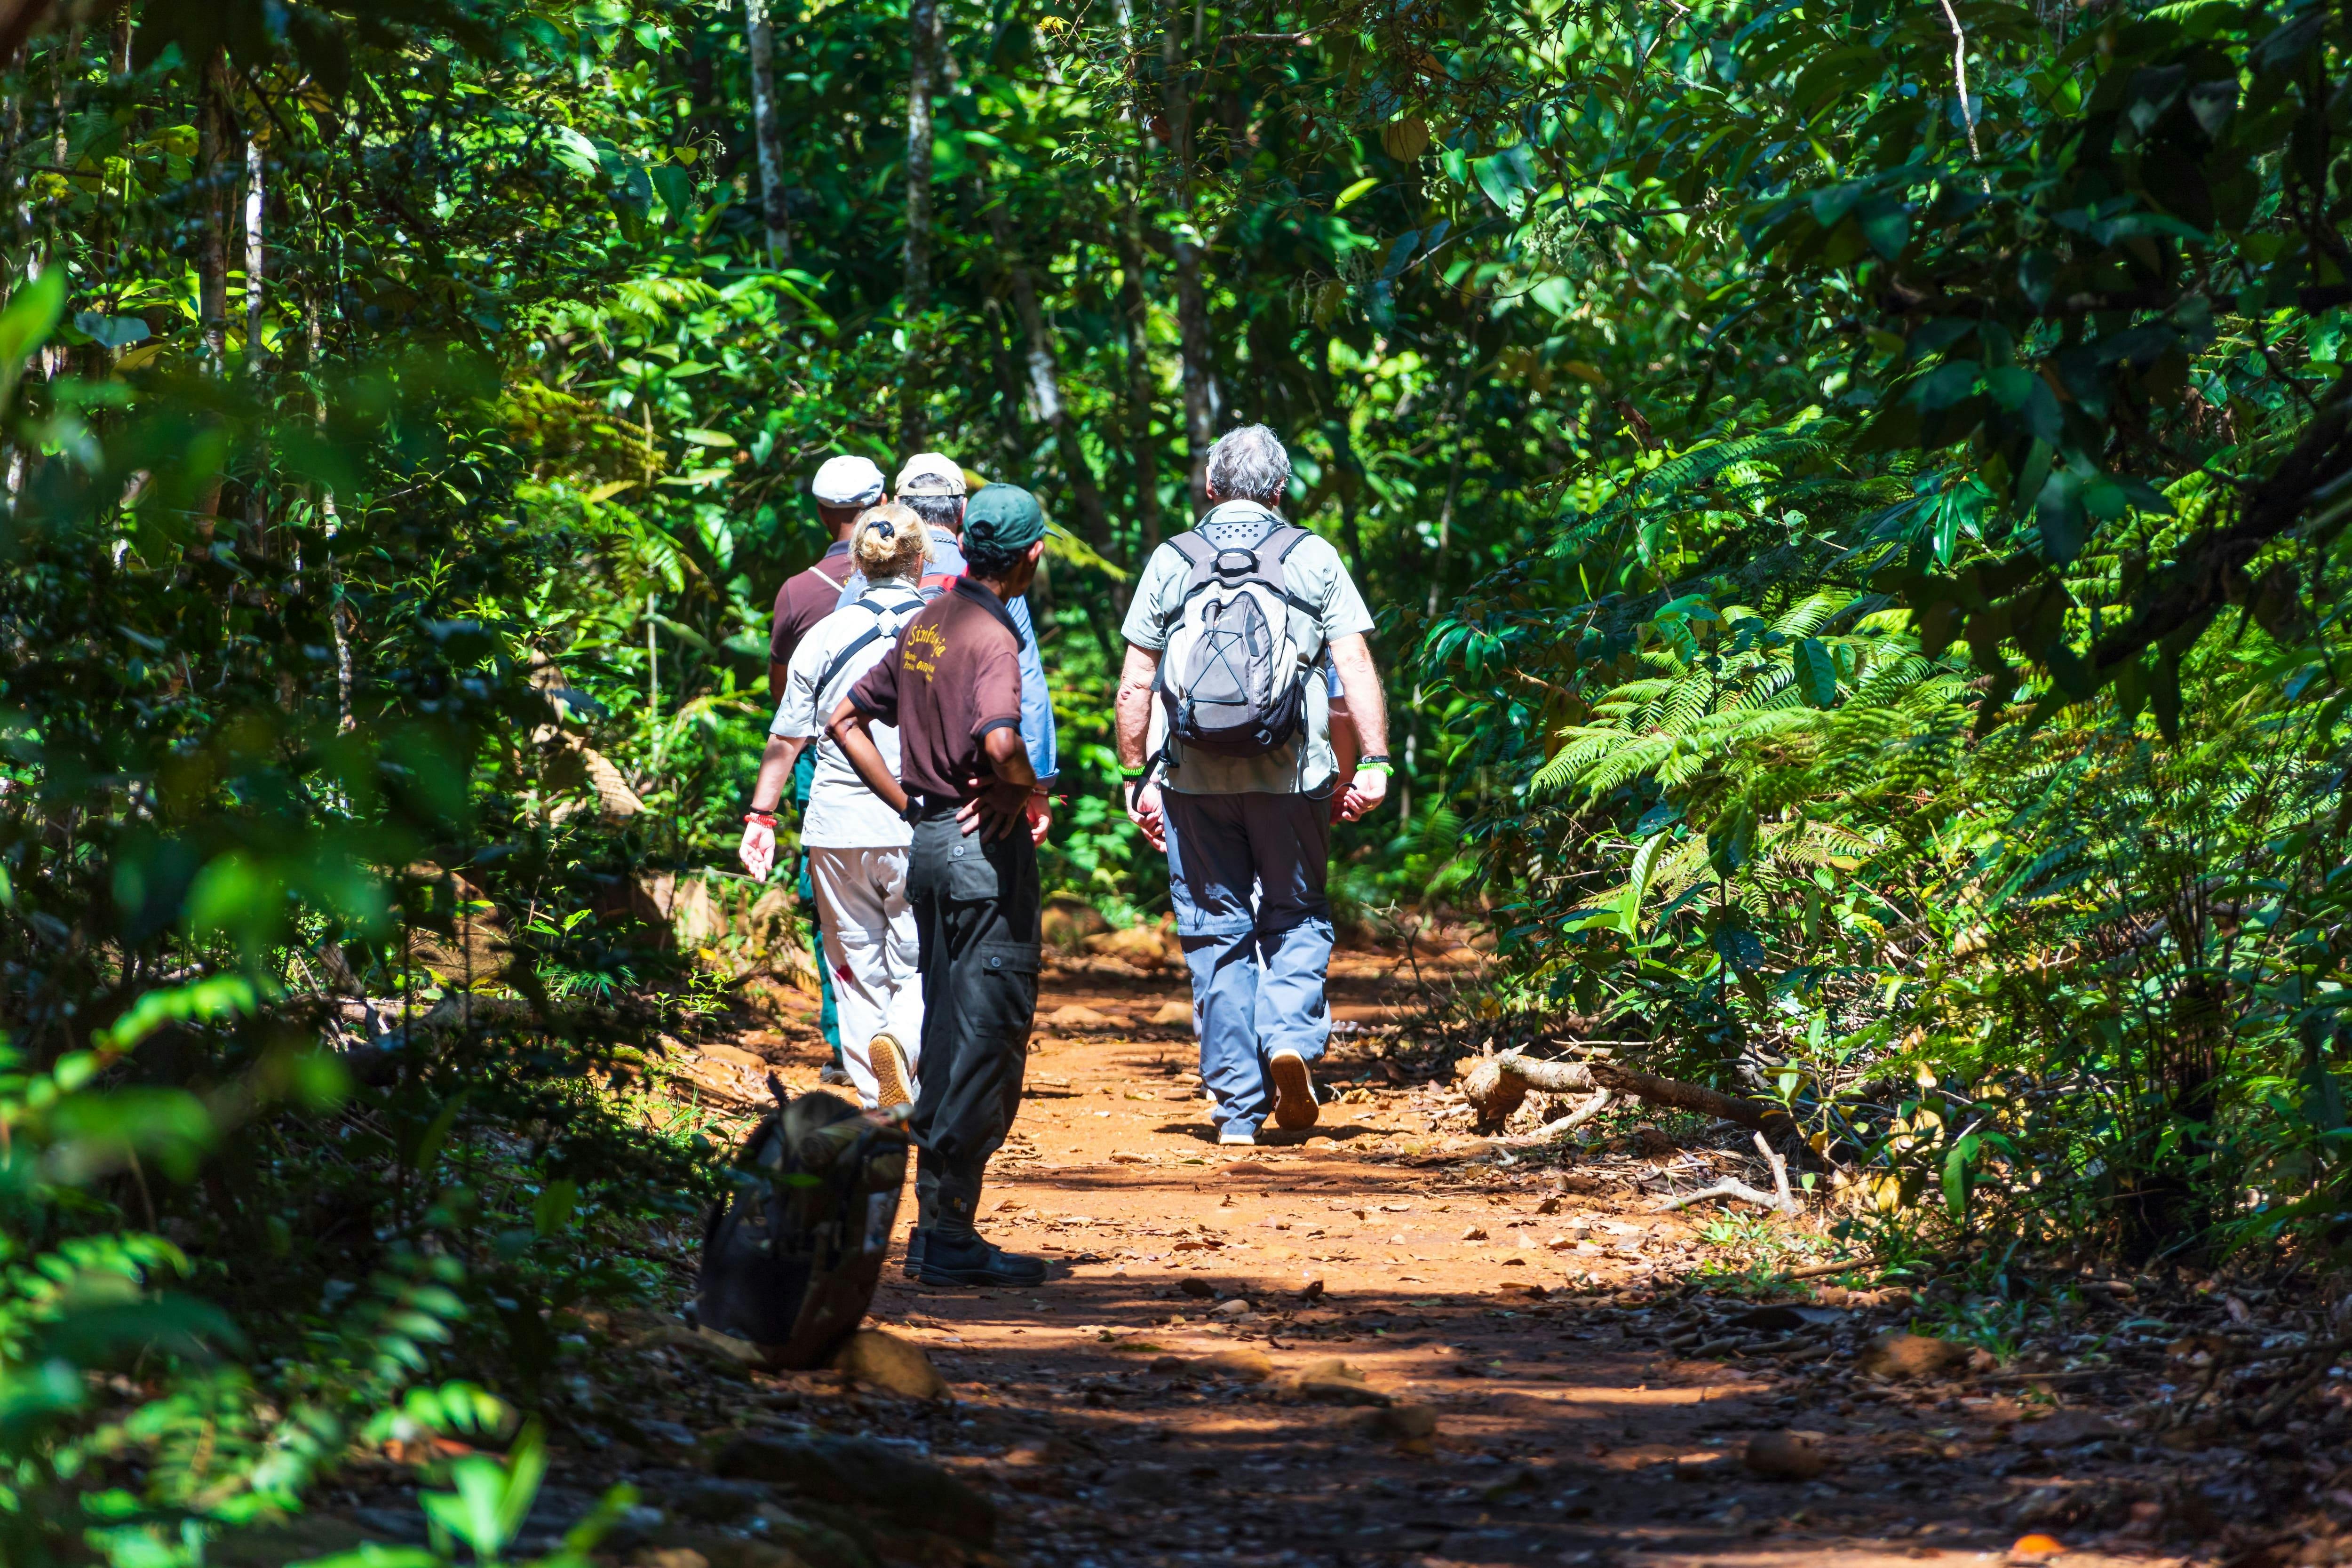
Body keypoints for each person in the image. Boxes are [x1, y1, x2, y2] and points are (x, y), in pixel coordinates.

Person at [1114, 425, 1391, 1146]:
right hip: (1292, 775)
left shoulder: (1172, 558)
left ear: (1210, 489)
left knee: (1215, 932)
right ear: (1279, 490)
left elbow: (1137, 681)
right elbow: (1352, 665)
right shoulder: (1312, 555)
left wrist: (1133, 775)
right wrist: (1376, 762)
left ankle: (1237, 1107)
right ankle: (1289, 1038)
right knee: (1296, 914)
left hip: (1191, 778)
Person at [827, 485, 1053, 1288]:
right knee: (986, 1043)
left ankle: (936, 1234)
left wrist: (908, 803)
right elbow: (999, 737)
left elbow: (844, 717)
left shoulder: (926, 620)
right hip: (980, 858)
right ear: (1030, 555)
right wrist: (1023, 787)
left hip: (929, 847)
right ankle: (948, 1236)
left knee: (952, 1032)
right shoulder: (992, 636)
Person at [739, 504, 932, 1112]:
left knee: (850, 967)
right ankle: (901, 1042)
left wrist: (761, 816)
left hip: (835, 824)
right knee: (923, 956)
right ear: (921, 562)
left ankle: (879, 1106)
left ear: (856, 565)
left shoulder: (823, 636)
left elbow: (785, 738)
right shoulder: (942, 627)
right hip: (917, 818)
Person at [842, 453, 1058, 848]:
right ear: (961, 513)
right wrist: (1036, 785)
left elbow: (837, 691)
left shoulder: (862, 577)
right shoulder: (991, 574)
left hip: (870, 792)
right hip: (969, 799)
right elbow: (1027, 682)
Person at [769, 454, 886, 1086]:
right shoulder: (913, 580)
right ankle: (905, 1037)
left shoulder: (800, 591)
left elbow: (784, 698)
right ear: (883, 504)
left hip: (823, 765)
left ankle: (849, 1044)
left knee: (834, 910)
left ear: (820, 513)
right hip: (903, 766)